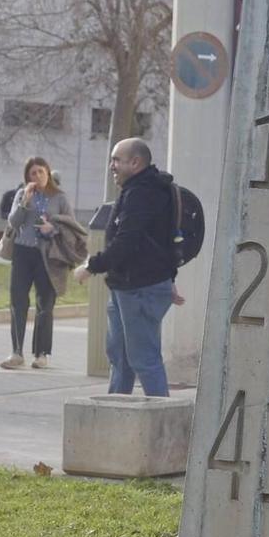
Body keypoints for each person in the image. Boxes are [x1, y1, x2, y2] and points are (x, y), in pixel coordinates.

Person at [75, 138, 181, 397]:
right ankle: (115, 414)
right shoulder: (137, 189)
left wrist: (92, 266)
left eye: (116, 160)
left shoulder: (144, 192)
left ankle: (160, 422)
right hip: (126, 286)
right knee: (120, 358)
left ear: (135, 163)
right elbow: (160, 241)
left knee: (144, 358)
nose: (112, 166)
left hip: (140, 288)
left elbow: (127, 240)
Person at [1, 157, 74, 370]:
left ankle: (42, 353)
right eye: (33, 173)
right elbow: (13, 222)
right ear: (27, 177)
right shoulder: (22, 194)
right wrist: (24, 203)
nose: (38, 177)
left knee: (45, 305)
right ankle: (16, 352)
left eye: (41, 172)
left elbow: (70, 225)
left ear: (48, 173)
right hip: (23, 252)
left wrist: (52, 229)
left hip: (48, 255)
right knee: (18, 301)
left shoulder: (59, 197)